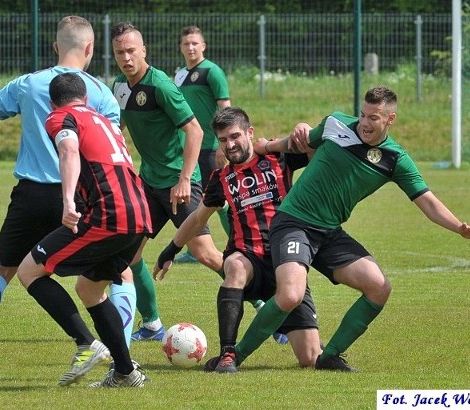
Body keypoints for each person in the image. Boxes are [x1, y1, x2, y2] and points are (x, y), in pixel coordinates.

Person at [0, 16, 136, 380]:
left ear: (55, 47)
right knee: (119, 274)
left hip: (30, 197)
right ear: (91, 49)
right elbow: (114, 149)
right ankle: (120, 357)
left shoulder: (28, 84)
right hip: (81, 200)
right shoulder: (101, 94)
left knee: (3, 269)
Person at [251, 85, 470, 372]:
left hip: (328, 232)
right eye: (362, 114)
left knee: (379, 287)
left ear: (390, 119)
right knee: (290, 295)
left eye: (373, 117)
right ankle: (232, 357)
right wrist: (265, 146)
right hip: (294, 222)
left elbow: (429, 203)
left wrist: (459, 227)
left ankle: (330, 356)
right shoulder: (335, 122)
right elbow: (297, 143)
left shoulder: (395, 159)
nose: (364, 123)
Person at [153, 107, 322, 373]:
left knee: (310, 358)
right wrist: (171, 248)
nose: (229, 145)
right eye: (223, 140)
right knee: (235, 267)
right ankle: (228, 354)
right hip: (248, 256)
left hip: (287, 260)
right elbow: (198, 219)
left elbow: (317, 147)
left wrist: (304, 126)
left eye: (235, 137)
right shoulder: (221, 178)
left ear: (249, 133)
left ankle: (294, 332)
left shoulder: (279, 158)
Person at [17, 72, 152, 388]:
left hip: (109, 214)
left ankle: (86, 343)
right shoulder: (104, 120)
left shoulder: (60, 116)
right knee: (90, 290)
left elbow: (69, 150)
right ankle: (124, 373)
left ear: (52, 102)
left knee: (29, 272)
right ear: (87, 99)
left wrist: (67, 201)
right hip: (140, 214)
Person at [110, 22, 224, 342]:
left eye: (132, 50)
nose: (126, 57)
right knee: (129, 254)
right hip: (149, 184)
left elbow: (195, 131)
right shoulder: (119, 86)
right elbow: (116, 132)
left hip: (179, 184)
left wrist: (185, 179)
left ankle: (268, 305)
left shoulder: (161, 85)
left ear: (143, 50)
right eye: (120, 52)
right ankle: (151, 324)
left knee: (206, 254)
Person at [173, 25, 231, 265]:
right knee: (194, 199)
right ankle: (196, 246)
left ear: (203, 46)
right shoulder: (179, 75)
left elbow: (226, 108)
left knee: (221, 200)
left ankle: (240, 243)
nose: (191, 47)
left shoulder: (212, 72)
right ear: (181, 47)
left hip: (208, 147)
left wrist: (222, 144)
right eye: (187, 43)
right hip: (187, 149)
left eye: (195, 43)